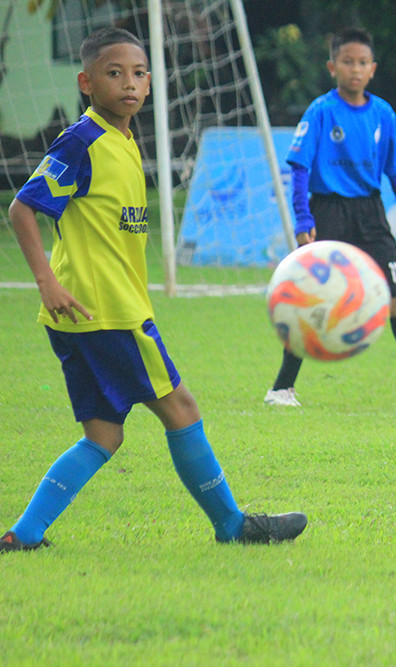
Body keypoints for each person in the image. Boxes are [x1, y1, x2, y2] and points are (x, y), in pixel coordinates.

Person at [2, 27, 307, 552]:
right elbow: (22, 210)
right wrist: (46, 281)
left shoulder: (122, 140)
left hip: (87, 314)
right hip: (107, 313)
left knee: (104, 435)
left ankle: (23, 534)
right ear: (86, 82)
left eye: (139, 73)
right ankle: (232, 525)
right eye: (114, 73)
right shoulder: (82, 141)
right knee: (181, 408)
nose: (130, 83)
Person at [264, 27, 396, 406]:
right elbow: (300, 169)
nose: (355, 69)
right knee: (312, 300)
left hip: (371, 215)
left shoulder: (383, 113)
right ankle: (281, 388)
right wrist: (304, 220)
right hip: (329, 211)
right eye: (347, 62)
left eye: (362, 63)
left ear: (373, 68)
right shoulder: (322, 111)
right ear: (332, 67)